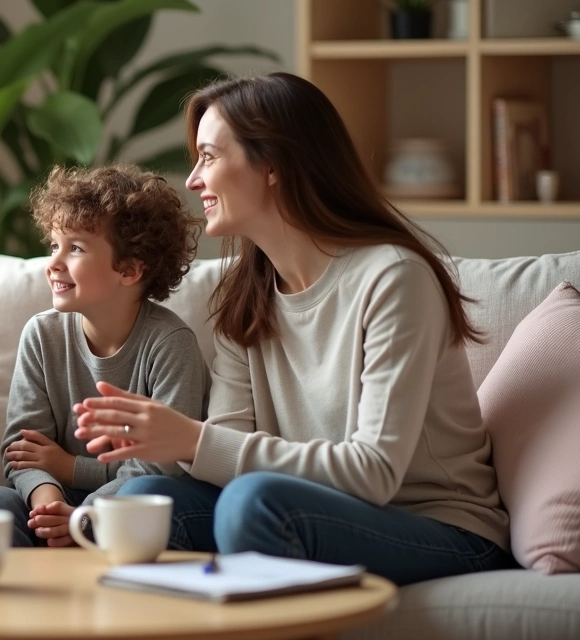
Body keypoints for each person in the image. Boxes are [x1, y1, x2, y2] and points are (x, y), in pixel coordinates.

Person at [73, 72, 516, 586]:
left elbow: (373, 472)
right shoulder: (245, 300)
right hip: (310, 512)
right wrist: (176, 443)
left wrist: (192, 439)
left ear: (273, 166)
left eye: (209, 157)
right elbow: (231, 449)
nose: (193, 180)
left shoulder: (393, 278)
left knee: (252, 504)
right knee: (146, 503)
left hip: (440, 527)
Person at [0, 164, 208, 548]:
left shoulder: (170, 343)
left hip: (124, 505)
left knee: (143, 492)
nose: (53, 263)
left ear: (129, 270)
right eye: (54, 245)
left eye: (75, 248)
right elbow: (22, 446)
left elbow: (160, 466)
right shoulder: (42, 334)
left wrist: (74, 482)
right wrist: (49, 506)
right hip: (61, 500)